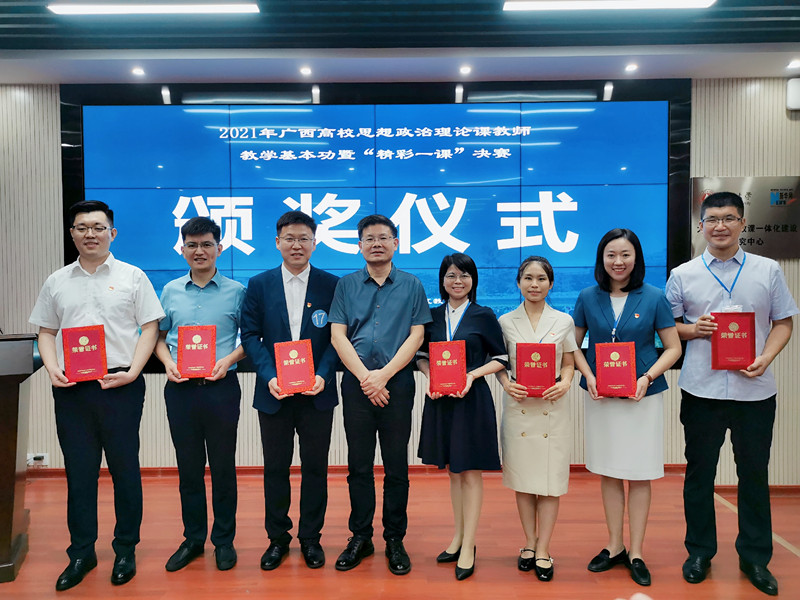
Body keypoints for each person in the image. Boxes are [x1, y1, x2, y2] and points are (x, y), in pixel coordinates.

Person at [665, 192, 797, 597]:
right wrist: (693, 330)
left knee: (754, 475)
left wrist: (766, 357)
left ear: (742, 223)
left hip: (754, 391)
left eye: (729, 218)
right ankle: (699, 552)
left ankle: (755, 558)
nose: (720, 226)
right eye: (712, 219)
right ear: (700, 226)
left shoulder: (767, 270)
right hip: (701, 390)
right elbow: (667, 328)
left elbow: (784, 322)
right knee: (699, 474)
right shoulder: (683, 274)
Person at [29, 200, 165, 591]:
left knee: (125, 470)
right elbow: (46, 331)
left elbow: (150, 327)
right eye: (82, 227)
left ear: (112, 233)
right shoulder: (57, 281)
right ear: (72, 234)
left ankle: (125, 549)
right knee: (80, 473)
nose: (90, 234)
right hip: (72, 390)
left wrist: (134, 371)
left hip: (121, 385)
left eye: (98, 227)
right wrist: (51, 368)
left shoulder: (133, 276)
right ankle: (81, 552)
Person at [572, 228, 681, 587]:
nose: (618, 262)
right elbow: (573, 346)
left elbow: (673, 348)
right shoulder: (588, 296)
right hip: (602, 397)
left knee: (639, 472)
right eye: (611, 255)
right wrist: (588, 376)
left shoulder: (654, 297)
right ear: (601, 259)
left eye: (625, 255)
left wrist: (647, 378)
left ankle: (637, 552)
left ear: (637, 258)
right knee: (609, 471)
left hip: (641, 398)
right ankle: (614, 544)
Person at [329, 214, 432, 575]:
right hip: (357, 385)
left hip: (397, 385)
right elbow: (337, 334)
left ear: (396, 243)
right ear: (359, 245)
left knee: (396, 465)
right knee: (358, 465)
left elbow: (417, 335)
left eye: (383, 238)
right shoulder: (345, 285)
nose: (376, 244)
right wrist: (366, 378)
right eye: (369, 238)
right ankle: (360, 536)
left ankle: (394, 539)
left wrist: (383, 376)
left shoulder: (412, 284)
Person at [240, 211, 340, 571]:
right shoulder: (259, 284)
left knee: (315, 468)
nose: (297, 245)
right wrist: (269, 375)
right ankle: (277, 539)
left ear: (315, 242)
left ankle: (311, 538)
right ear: (277, 242)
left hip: (317, 394)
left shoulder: (332, 285)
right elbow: (250, 336)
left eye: (304, 239)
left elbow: (337, 338)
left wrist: (324, 375)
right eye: (290, 238)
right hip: (274, 394)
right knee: (275, 469)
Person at [154, 216, 246, 573]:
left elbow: (252, 339)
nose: (199, 251)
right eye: (192, 245)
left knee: (223, 468)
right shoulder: (170, 290)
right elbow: (158, 337)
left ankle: (223, 540)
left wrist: (228, 360)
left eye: (207, 244)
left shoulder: (237, 291)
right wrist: (167, 363)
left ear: (219, 248)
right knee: (188, 468)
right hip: (180, 390)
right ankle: (193, 539)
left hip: (222, 388)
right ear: (182, 249)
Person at [416, 253, 508, 581]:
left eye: (464, 275)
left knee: (470, 472)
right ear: (442, 280)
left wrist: (472, 375)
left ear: (473, 280)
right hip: (441, 401)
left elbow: (501, 357)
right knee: (453, 472)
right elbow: (421, 356)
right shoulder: (431, 316)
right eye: (451, 275)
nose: (458, 281)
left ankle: (469, 544)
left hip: (472, 400)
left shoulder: (484, 315)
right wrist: (431, 377)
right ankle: (457, 537)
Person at [496, 256, 577, 582]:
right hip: (519, 407)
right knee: (524, 480)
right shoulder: (505, 321)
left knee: (550, 482)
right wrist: (506, 384)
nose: (534, 284)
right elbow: (500, 364)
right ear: (518, 283)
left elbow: (569, 362)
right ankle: (529, 543)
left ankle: (544, 547)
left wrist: (565, 383)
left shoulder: (564, 320)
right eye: (528, 278)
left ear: (550, 283)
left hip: (551, 407)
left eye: (541, 278)